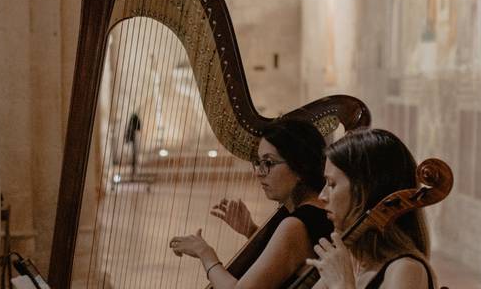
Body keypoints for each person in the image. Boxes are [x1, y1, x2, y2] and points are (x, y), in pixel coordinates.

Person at [169, 118, 333, 288]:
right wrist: (251, 231)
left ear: (300, 167)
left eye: (268, 163)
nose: (259, 173)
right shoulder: (315, 210)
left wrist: (205, 253)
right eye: (258, 163)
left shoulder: (295, 225)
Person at [307, 128, 436, 289]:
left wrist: (342, 285)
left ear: (366, 191)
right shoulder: (353, 261)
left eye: (332, 184)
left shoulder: (406, 269)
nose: (322, 196)